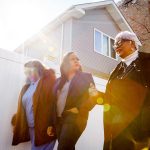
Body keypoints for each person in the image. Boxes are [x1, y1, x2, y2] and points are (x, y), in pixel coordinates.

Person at [91, 31, 150, 150]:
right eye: (114, 44)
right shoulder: (115, 72)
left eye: (119, 42)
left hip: (142, 129)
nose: (116, 46)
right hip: (119, 130)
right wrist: (96, 95)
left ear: (132, 43)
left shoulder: (147, 62)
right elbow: (111, 100)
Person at [50, 52, 96, 150]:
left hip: (75, 119)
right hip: (58, 120)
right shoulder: (58, 81)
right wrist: (51, 123)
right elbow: (53, 103)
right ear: (66, 63)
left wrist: (79, 108)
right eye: (72, 59)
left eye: (77, 59)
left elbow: (94, 96)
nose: (76, 60)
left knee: (63, 148)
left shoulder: (86, 77)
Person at [11, 60, 56, 150]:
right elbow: (26, 105)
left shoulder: (48, 82)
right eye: (26, 72)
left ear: (38, 69)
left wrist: (53, 124)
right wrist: (18, 118)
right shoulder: (28, 86)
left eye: (30, 71)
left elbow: (53, 103)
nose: (28, 74)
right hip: (32, 127)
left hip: (44, 127)